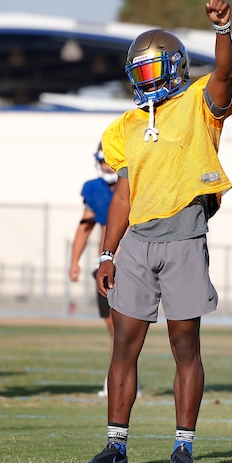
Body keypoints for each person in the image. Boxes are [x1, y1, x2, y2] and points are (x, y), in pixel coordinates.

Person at [78, 0, 232, 463]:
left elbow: (224, 74)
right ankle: (116, 446)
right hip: (137, 245)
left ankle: (183, 447)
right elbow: (123, 196)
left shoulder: (198, 103)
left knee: (184, 347)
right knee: (122, 347)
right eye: (140, 72)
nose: (147, 80)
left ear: (174, 68)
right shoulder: (125, 126)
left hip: (185, 238)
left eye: (153, 70)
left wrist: (222, 29)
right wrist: (106, 253)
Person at [68, 143, 126, 397]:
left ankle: (121, 378)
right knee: (113, 327)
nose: (107, 167)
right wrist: (74, 261)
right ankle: (119, 376)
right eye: (104, 161)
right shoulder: (95, 190)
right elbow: (85, 226)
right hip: (104, 266)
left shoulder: (136, 185)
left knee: (125, 327)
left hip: (132, 265)